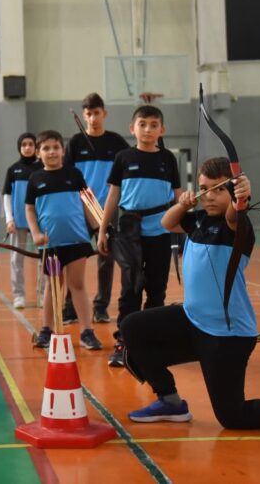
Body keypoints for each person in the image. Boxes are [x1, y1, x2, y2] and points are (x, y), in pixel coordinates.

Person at [121, 158, 260, 428]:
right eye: (205, 188)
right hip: (192, 320)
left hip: (227, 335)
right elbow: (167, 223)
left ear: (233, 192)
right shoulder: (197, 221)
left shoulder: (237, 227)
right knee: (133, 328)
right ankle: (170, 401)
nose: (210, 196)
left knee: (232, 417)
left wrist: (242, 195)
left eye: (219, 189)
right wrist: (182, 204)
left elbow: (234, 213)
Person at [97, 105, 182, 368]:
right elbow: (113, 196)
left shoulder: (168, 159)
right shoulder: (123, 157)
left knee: (156, 290)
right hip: (128, 232)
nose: (148, 129)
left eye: (154, 124)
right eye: (142, 124)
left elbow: (178, 198)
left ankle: (151, 340)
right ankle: (124, 340)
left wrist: (187, 226)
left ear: (162, 130)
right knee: (130, 289)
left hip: (160, 233)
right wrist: (102, 229)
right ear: (132, 128)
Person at [25, 131, 102, 352]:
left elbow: (89, 202)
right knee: (53, 285)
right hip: (51, 245)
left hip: (77, 241)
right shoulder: (35, 179)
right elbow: (29, 209)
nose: (52, 152)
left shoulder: (74, 174)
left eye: (56, 147)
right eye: (46, 148)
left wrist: (99, 228)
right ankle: (46, 330)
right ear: (39, 153)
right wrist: (36, 234)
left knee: (77, 284)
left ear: (63, 150)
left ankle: (87, 332)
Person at [65, 93, 129, 323]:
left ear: (105, 114)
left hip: (107, 208)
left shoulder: (117, 142)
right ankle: (69, 307)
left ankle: (101, 306)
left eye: (97, 113)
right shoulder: (74, 143)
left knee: (106, 256)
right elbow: (66, 176)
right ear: (84, 115)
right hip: (81, 206)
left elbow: (127, 170)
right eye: (88, 114)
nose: (92, 118)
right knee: (73, 258)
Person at [2, 133, 44, 310]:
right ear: (19, 147)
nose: (27, 147)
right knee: (16, 259)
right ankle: (19, 295)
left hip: (40, 221)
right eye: (24, 144)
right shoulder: (13, 170)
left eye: (30, 144)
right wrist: (9, 219)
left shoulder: (43, 167)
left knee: (43, 259)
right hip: (18, 221)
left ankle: (43, 295)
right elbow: (7, 195)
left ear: (35, 147)